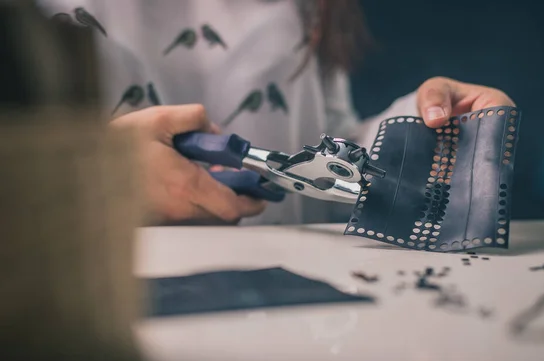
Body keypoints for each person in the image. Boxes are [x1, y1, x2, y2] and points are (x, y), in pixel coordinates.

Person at [37, 0, 515, 226]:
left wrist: (423, 138)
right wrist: (84, 179)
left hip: (294, 313)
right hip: (106, 317)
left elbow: (323, 143)